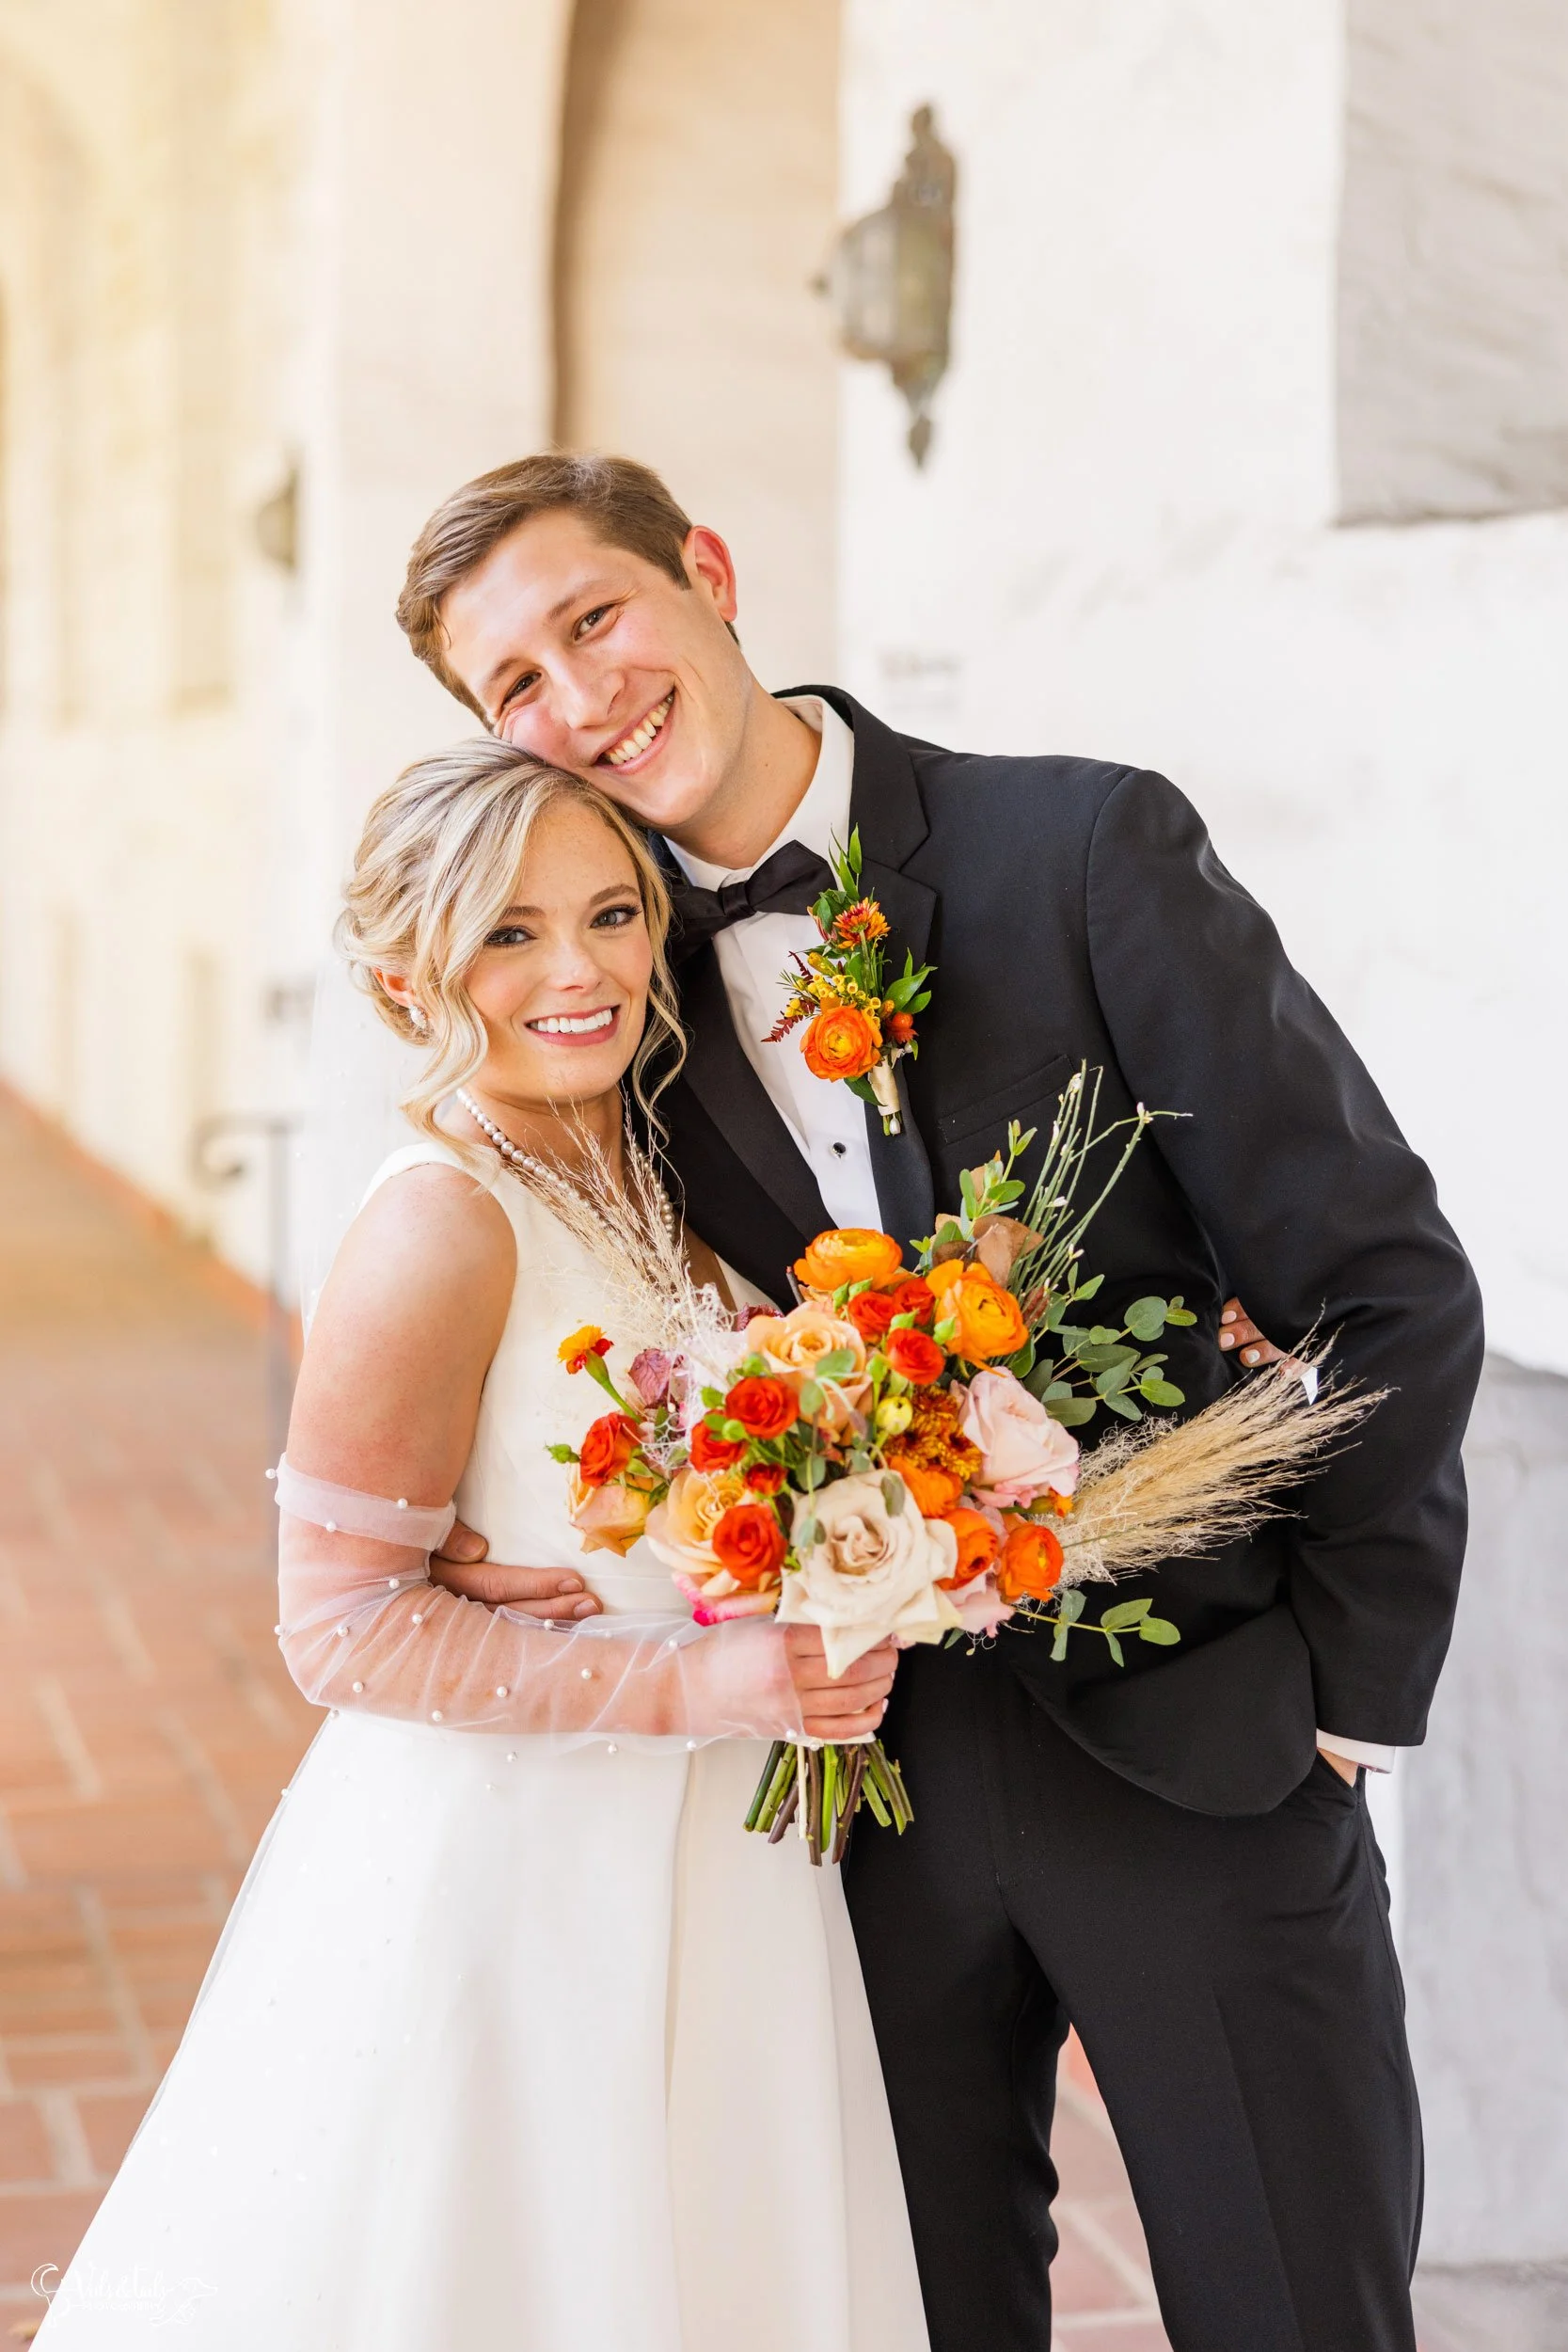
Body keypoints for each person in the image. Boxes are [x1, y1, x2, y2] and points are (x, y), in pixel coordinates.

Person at [394, 453, 1485, 2352]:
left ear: (706, 572)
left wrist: (1348, 1705)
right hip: (831, 1806)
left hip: (1199, 1744)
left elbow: (1381, 1289)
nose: (580, 700)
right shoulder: (590, 986)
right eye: (515, 686)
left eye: (595, 619)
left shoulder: (1075, 852)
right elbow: (543, 1285)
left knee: (1296, 2307)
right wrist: (506, 1546)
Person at [37, 748, 927, 2350]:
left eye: (607, 913)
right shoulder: (441, 1221)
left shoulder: (651, 1157)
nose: (577, 971)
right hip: (528, 1861)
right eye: (507, 933)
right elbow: (340, 1631)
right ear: (404, 976)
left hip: (720, 1839)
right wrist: (712, 1677)